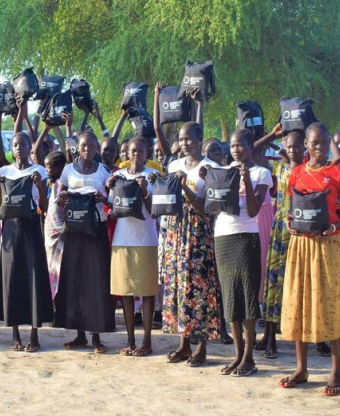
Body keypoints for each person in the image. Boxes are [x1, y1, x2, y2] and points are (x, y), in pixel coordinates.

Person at [279, 122, 340, 396]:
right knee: (300, 301)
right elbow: (293, 211)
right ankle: (301, 368)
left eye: (324, 143)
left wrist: (336, 226)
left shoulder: (338, 174)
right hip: (301, 246)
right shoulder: (296, 174)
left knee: (333, 302)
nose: (320, 148)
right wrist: (290, 224)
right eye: (315, 143)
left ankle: (336, 372)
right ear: (306, 145)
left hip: (329, 245)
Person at [161, 121, 222, 367]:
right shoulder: (174, 165)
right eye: (182, 139)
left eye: (190, 139)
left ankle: (202, 347)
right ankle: (183, 344)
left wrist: (185, 185)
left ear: (200, 139)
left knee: (199, 288)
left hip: (199, 232)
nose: (185, 144)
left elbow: (206, 206)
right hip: (176, 231)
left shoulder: (211, 167)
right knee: (179, 286)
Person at [214, 129, 272, 376]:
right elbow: (213, 204)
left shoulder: (261, 173)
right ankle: (237, 355)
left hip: (246, 237)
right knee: (230, 297)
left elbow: (252, 210)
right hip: (223, 237)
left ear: (251, 147)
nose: (236, 149)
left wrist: (246, 179)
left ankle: (249, 357)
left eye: (241, 145)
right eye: (233, 146)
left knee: (248, 297)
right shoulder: (224, 172)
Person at [55, 132, 115, 353]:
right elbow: (60, 195)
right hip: (74, 229)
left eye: (91, 145)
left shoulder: (104, 171)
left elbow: (112, 199)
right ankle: (79, 334)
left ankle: (97, 335)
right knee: (75, 281)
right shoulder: (68, 170)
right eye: (83, 145)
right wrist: (62, 199)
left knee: (96, 280)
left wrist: (104, 198)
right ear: (77, 148)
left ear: (97, 148)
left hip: (95, 229)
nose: (87, 148)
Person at [0, 132, 54, 352]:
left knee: (33, 278)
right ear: (12, 148)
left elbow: (45, 207)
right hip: (9, 229)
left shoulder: (38, 171)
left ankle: (35, 334)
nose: (19, 147)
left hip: (31, 227)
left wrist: (39, 187)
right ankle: (15, 333)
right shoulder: (4, 171)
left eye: (23, 144)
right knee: (12, 279)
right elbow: (2, 205)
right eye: (15, 144)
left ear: (30, 147)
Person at [108, 136, 158, 356]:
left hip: (146, 240)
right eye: (132, 150)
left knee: (147, 292)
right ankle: (130, 340)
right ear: (125, 153)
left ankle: (146, 341)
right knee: (125, 291)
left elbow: (155, 210)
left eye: (140, 150)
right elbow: (112, 206)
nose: (136, 154)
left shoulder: (153, 176)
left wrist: (146, 189)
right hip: (122, 240)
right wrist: (107, 188)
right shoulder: (117, 176)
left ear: (148, 152)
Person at [259, 127, 305, 359]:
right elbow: (254, 148)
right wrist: (274, 136)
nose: (293, 150)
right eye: (289, 146)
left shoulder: (308, 169)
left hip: (301, 230)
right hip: (280, 227)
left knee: (298, 284)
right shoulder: (282, 167)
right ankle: (269, 337)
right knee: (274, 283)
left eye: (298, 145)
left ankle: (311, 339)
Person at [43, 150, 67, 300]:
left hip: (61, 234)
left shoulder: (63, 185)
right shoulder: (50, 184)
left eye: (49, 167)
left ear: (59, 168)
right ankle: (52, 304)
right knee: (50, 268)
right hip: (49, 234)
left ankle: (59, 304)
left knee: (59, 269)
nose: (46, 170)